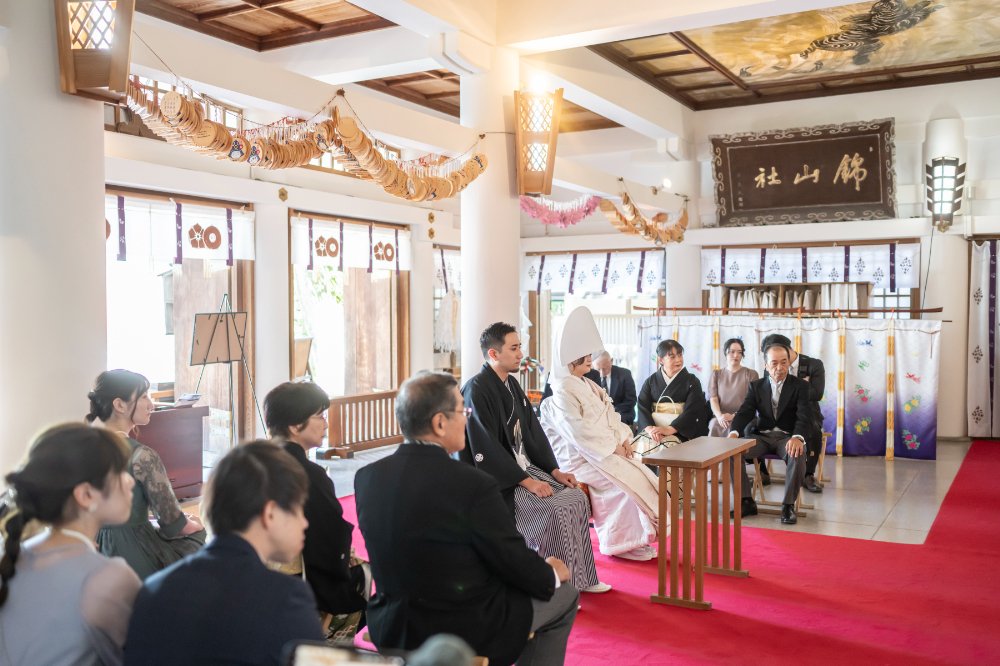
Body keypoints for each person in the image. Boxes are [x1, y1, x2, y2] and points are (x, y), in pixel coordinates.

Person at [356, 371, 579, 666]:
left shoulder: (367, 477)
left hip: (393, 623)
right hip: (460, 628)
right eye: (462, 411)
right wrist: (550, 573)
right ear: (439, 423)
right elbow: (510, 558)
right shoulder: (472, 483)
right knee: (565, 595)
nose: (467, 418)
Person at [123, 442, 324, 666]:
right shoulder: (285, 597)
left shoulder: (152, 590)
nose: (305, 522)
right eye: (299, 508)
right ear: (270, 514)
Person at [461, 322, 606, 593]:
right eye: (514, 348)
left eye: (520, 348)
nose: (520, 354)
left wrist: (553, 470)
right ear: (494, 354)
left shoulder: (512, 384)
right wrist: (527, 482)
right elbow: (485, 446)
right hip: (499, 479)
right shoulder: (476, 390)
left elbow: (533, 432)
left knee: (574, 497)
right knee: (553, 507)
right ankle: (552, 584)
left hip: (523, 468)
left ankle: (580, 578)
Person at [0, 423, 142, 666]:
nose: (130, 482)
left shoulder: (12, 558)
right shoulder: (109, 577)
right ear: (86, 495)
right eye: (120, 472)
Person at [540, 306, 661, 562]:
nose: (589, 357)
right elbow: (580, 433)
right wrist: (614, 448)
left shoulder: (589, 384)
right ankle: (619, 543)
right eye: (583, 353)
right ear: (568, 358)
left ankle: (634, 538)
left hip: (601, 451)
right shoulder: (561, 392)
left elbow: (611, 415)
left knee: (638, 471)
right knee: (625, 482)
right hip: (580, 458)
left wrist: (624, 440)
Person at [264, 381, 370, 645]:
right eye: (320, 416)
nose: (326, 424)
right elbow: (329, 540)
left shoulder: (250, 460)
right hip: (298, 580)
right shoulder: (306, 474)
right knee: (364, 573)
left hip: (251, 576)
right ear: (294, 425)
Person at [88, 370, 206, 580]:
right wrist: (195, 524)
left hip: (90, 548)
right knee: (198, 533)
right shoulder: (141, 456)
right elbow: (171, 525)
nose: (151, 404)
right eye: (143, 397)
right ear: (119, 405)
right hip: (133, 553)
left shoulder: (80, 448)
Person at [727, 342, 812, 525]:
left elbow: (804, 416)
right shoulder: (756, 386)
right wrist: (734, 433)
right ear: (766, 365)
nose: (779, 368)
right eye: (774, 363)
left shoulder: (800, 386)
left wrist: (798, 437)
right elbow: (744, 412)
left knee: (798, 452)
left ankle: (788, 505)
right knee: (732, 452)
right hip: (762, 436)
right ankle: (746, 501)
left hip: (788, 437)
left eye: (784, 362)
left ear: (789, 363)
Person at [758, 334, 826, 493]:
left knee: (814, 429)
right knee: (751, 427)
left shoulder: (813, 364)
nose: (775, 362)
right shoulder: (771, 364)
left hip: (808, 415)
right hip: (779, 416)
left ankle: (808, 475)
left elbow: (817, 394)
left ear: (787, 349)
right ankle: (761, 470)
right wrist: (802, 386)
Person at [636, 340, 708, 455]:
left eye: (680, 355)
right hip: (654, 430)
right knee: (642, 445)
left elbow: (693, 410)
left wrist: (670, 429)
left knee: (666, 447)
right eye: (672, 357)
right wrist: (651, 430)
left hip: (680, 431)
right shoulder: (651, 381)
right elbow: (642, 406)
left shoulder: (692, 381)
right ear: (661, 360)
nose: (678, 360)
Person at [539, 352, 637, 431]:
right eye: (584, 356)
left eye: (590, 355)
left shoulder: (592, 376)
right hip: (570, 424)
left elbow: (599, 406)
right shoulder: (556, 377)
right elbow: (546, 401)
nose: (590, 359)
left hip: (600, 418)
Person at [708, 339, 760, 438]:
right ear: (725, 352)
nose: (736, 355)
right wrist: (719, 417)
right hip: (721, 417)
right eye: (732, 352)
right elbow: (713, 400)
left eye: (739, 352)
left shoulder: (751, 374)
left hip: (745, 417)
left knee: (746, 427)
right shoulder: (716, 374)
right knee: (714, 424)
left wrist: (734, 416)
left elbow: (753, 402)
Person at [589, 350, 638, 428]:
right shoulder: (589, 376)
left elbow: (631, 400)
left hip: (620, 411)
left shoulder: (625, 374)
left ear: (611, 361)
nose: (602, 373)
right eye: (598, 369)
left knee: (616, 420)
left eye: (605, 369)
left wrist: (611, 410)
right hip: (598, 412)